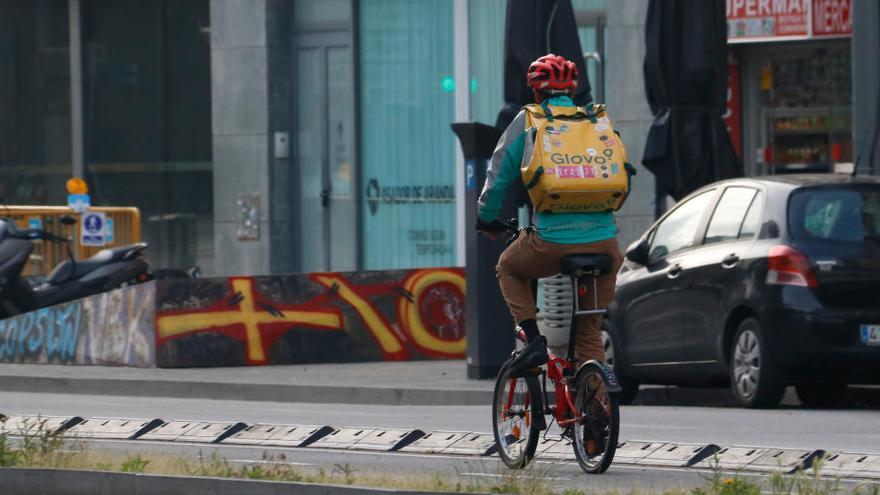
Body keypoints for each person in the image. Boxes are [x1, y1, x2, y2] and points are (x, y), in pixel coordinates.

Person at [476, 54, 625, 374]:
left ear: (536, 92)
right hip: (605, 246)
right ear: (572, 90)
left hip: (551, 243)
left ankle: (533, 342)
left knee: (507, 267)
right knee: (589, 333)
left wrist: (486, 217)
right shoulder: (597, 121)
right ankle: (595, 404)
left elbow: (498, 173)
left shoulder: (530, 120)